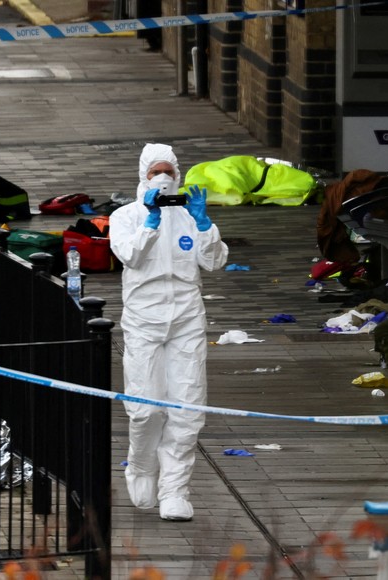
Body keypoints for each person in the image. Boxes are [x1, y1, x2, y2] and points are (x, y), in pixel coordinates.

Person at [109, 143, 228, 521]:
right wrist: (150, 221)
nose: (162, 179)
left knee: (187, 408)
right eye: (154, 172)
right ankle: (141, 466)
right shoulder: (125, 216)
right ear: (142, 176)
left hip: (186, 317)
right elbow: (130, 256)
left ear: (178, 174)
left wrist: (205, 225)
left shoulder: (190, 216)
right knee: (145, 408)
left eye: (168, 172)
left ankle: (175, 489)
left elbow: (214, 262)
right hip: (144, 317)